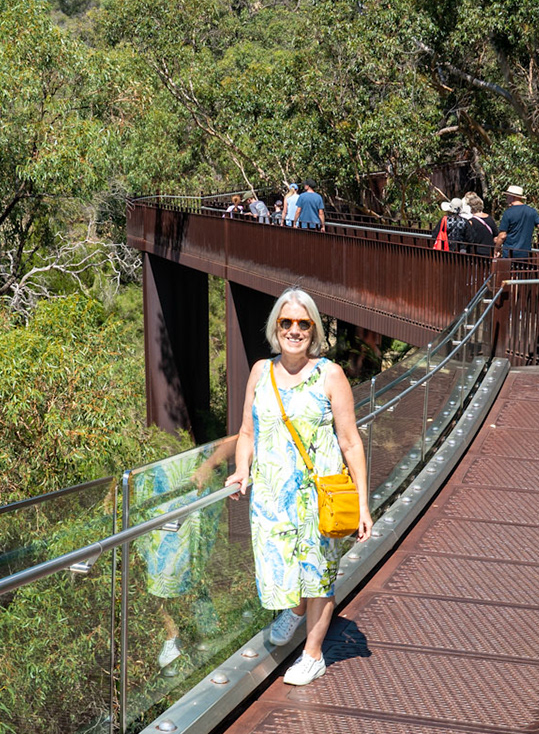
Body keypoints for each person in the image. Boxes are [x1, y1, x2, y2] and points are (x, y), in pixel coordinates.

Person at [226, 287, 372, 686]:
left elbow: (350, 442)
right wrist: (242, 470)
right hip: (272, 500)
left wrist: (363, 504)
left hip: (317, 499)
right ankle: (294, 610)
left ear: (314, 329)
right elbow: (246, 433)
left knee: (319, 575)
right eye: (286, 322)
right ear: (276, 327)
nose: (294, 330)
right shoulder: (260, 371)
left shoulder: (330, 374)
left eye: (302, 323)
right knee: (283, 573)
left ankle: (312, 655)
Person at [134, 436, 238, 674]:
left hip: (195, 486)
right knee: (157, 567)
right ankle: (172, 634)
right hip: (152, 487)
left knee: (193, 562)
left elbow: (239, 435)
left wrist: (209, 464)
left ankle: (202, 628)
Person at [496, 183, 539, 259]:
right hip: (525, 253)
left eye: (507, 196)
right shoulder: (532, 211)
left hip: (509, 253)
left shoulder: (508, 213)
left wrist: (496, 249)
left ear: (512, 197)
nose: (506, 198)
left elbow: (502, 236)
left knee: (508, 271)